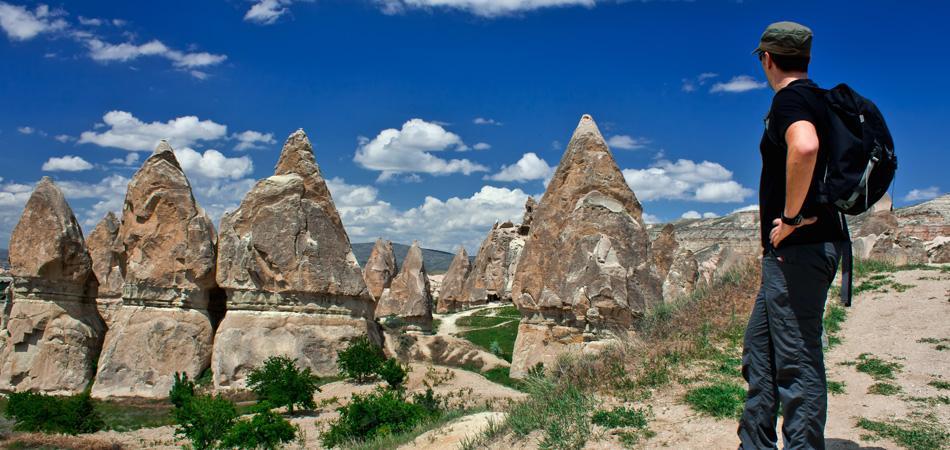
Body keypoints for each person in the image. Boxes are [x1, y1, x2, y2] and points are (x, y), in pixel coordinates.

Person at [738, 21, 849, 450]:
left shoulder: (790, 100)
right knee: (759, 353)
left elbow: (804, 147)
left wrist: (792, 217)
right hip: (793, 255)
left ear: (767, 58)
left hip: (798, 252)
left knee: (797, 361)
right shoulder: (818, 100)